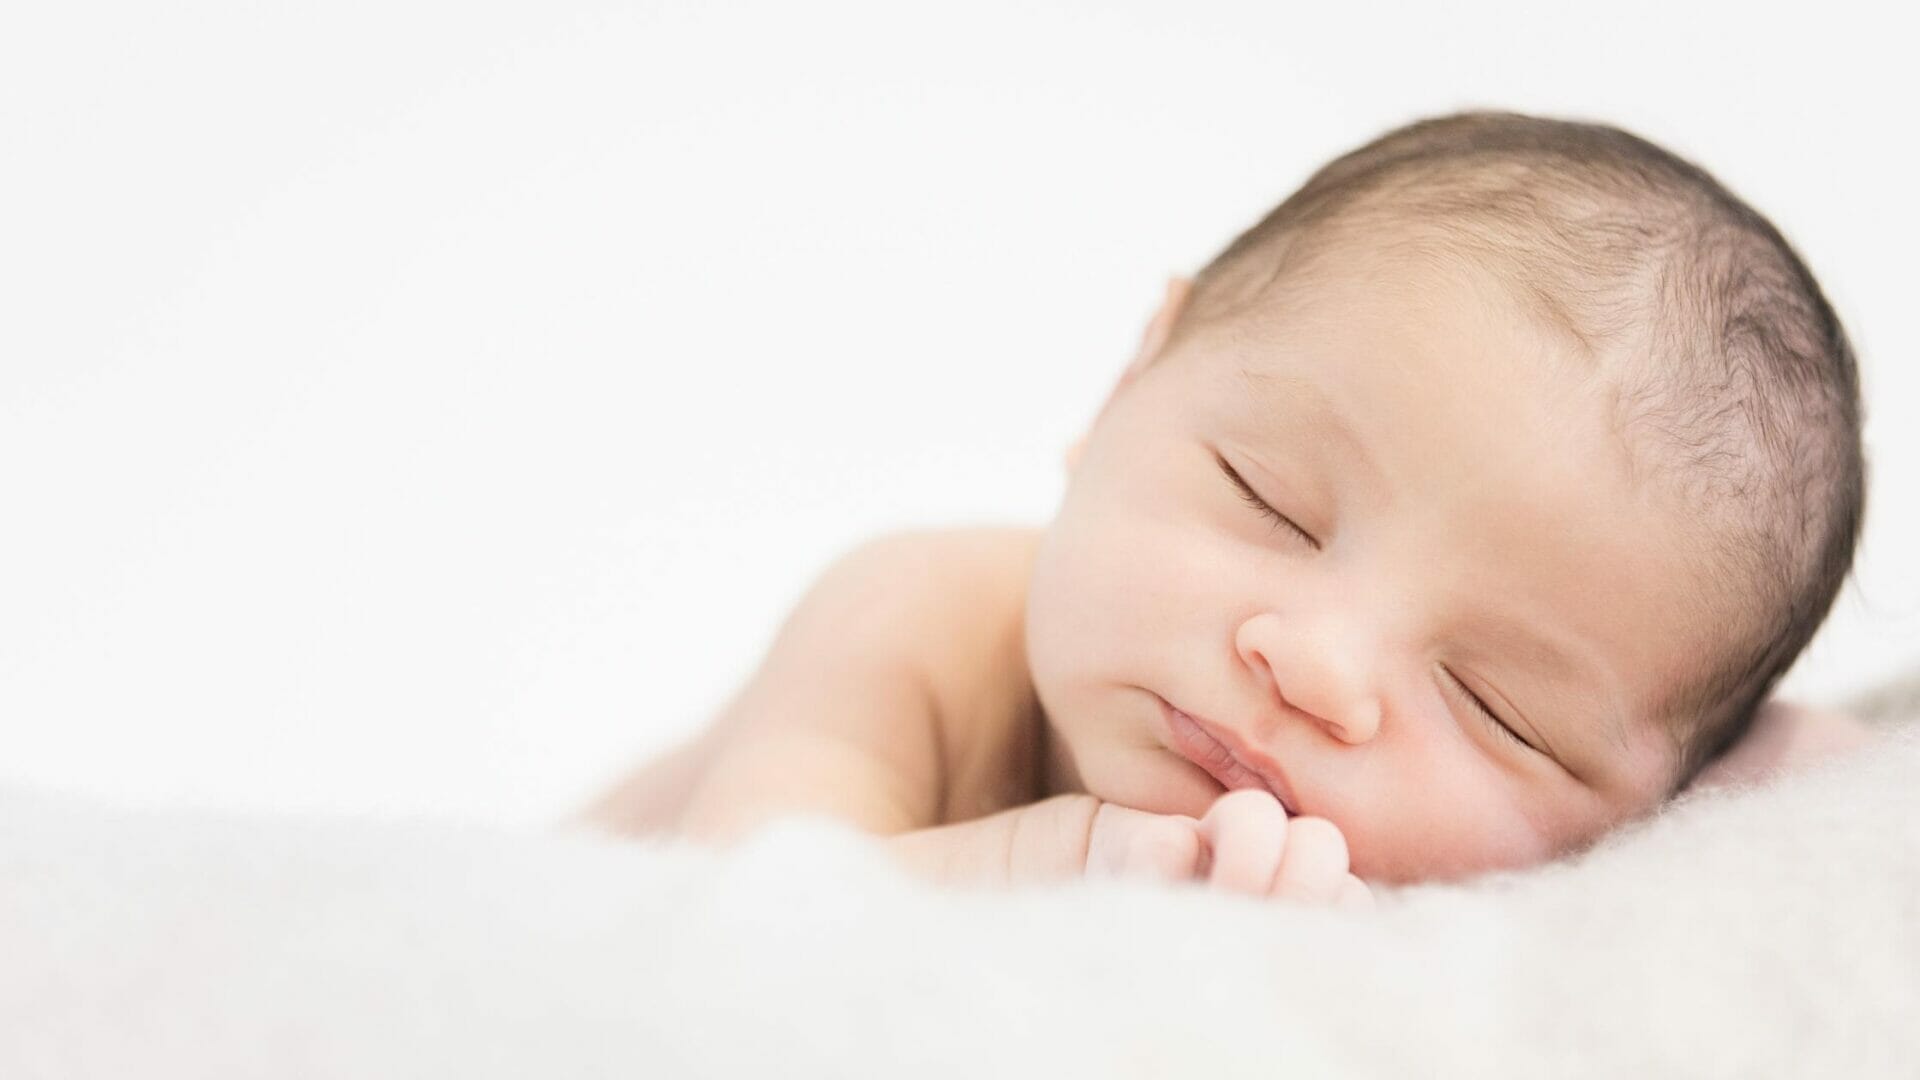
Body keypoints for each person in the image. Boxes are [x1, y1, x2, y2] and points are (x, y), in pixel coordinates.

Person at [578, 111, 1877, 905]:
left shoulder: (1463, 898)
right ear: (1130, 377)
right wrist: (1076, 867)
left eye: (1501, 710)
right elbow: (751, 921)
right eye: (1273, 505)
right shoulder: (910, 619)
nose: (1315, 668)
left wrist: (1780, 791)